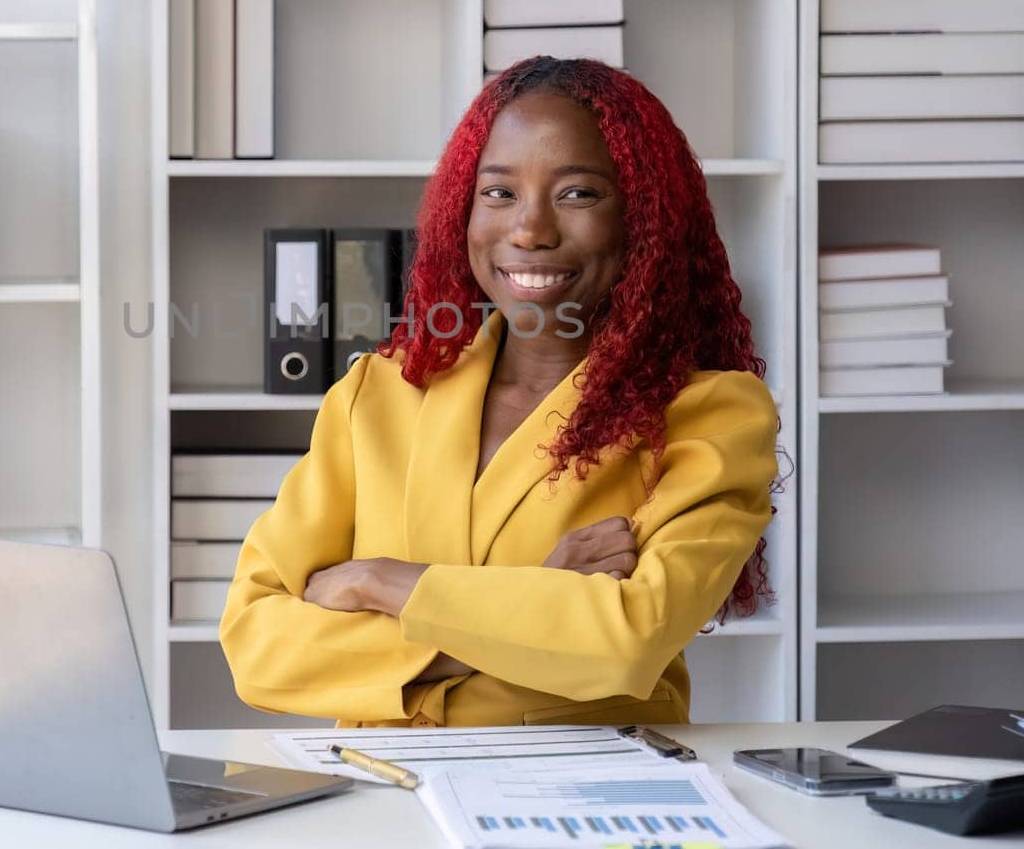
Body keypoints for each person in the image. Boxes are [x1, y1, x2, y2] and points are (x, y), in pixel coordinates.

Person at [219, 56, 780, 728]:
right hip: (385, 791)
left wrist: (380, 581)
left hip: (579, 797)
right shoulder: (378, 396)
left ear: (644, 219)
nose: (531, 230)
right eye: (499, 192)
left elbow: (628, 641)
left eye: (578, 193)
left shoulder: (710, 416)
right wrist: (535, 604)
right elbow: (256, 644)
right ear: (463, 208)